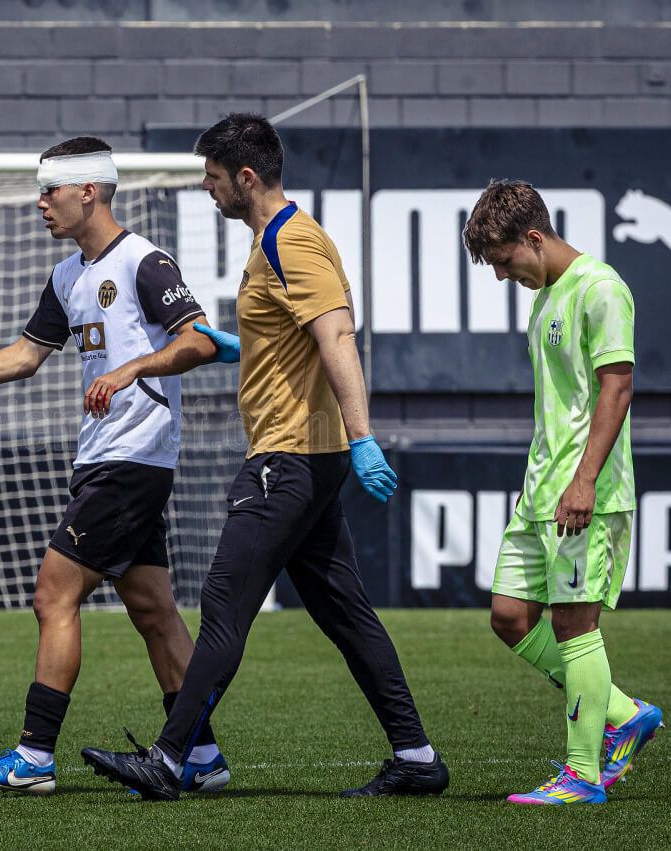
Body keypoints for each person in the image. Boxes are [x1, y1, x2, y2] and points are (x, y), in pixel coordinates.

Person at [80, 114, 449, 801]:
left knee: (223, 603)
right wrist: (234, 346)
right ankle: (416, 754)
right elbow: (291, 340)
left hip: (290, 457)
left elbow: (337, 338)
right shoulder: (271, 244)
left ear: (246, 178)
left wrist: (364, 434)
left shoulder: (293, 243)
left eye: (213, 178)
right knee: (345, 613)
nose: (206, 189)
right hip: (308, 455)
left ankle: (169, 759)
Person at [0, 136, 232, 796]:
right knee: (153, 608)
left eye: (50, 191)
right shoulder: (68, 274)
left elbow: (198, 340)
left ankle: (34, 756)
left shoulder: (143, 262)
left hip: (132, 459)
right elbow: (24, 354)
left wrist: (131, 368)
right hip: (107, 459)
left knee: (53, 593)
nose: (40, 203)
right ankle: (203, 755)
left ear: (89, 191)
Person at [463, 179, 662, 805]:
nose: (501, 275)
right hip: (541, 489)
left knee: (577, 626)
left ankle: (581, 777)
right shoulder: (546, 294)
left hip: (586, 492)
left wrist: (583, 480)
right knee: (509, 616)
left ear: (533, 237)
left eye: (503, 261)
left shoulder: (600, 287)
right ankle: (623, 713)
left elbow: (617, 389)